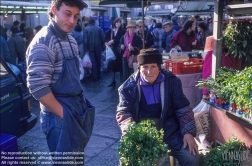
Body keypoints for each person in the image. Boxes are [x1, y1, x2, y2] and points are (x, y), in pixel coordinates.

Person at [26, 0, 94, 165]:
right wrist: (63, 114)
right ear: (54, 10)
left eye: (76, 16)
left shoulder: (70, 39)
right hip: (59, 117)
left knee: (77, 160)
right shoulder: (44, 41)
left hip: (74, 109)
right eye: (68, 14)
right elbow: (37, 86)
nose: (72, 21)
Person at [116, 48, 199, 166]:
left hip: (170, 131)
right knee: (127, 160)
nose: (149, 71)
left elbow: (183, 108)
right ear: (139, 67)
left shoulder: (172, 82)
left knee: (192, 157)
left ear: (159, 67)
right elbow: (124, 113)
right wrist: (131, 132)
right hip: (144, 136)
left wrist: (188, 133)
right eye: (145, 67)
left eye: (153, 66)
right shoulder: (127, 88)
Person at [105, 17, 126, 86]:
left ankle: (121, 81)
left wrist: (114, 41)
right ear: (114, 23)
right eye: (117, 22)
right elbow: (105, 37)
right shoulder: (111, 31)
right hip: (112, 50)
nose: (118, 24)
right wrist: (106, 42)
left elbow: (122, 40)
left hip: (119, 51)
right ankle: (113, 80)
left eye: (119, 22)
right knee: (112, 66)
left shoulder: (123, 31)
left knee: (120, 66)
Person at [83, 17, 105, 81]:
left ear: (89, 22)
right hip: (98, 47)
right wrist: (101, 44)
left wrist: (85, 49)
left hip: (90, 47)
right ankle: (99, 74)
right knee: (98, 60)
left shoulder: (86, 29)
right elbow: (103, 37)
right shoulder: (99, 29)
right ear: (94, 22)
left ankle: (95, 76)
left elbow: (85, 41)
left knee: (93, 62)